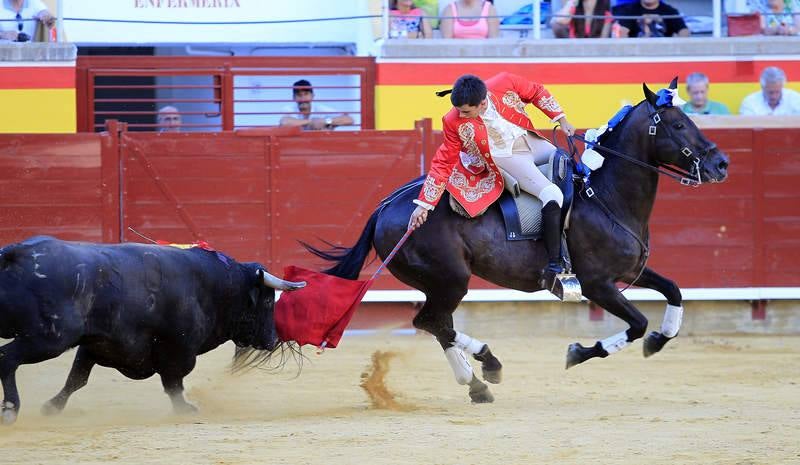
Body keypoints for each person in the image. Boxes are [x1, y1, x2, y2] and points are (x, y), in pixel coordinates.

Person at [408, 73, 577, 297]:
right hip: (505, 158)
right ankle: (555, 268)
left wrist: (561, 118)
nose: (461, 115)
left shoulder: (505, 82)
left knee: (567, 164)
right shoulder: (452, 120)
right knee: (552, 194)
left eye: (467, 111)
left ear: (483, 102)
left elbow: (536, 91)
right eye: (459, 110)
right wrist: (425, 204)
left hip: (530, 141)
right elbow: (444, 161)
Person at [279, 79, 354, 130]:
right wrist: (312, 122)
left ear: (312, 96)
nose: (303, 98)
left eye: (306, 94)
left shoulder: (321, 109)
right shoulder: (289, 109)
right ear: (294, 98)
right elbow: (284, 122)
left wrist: (325, 122)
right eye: (299, 95)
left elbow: (349, 120)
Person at [613, 0, 690, 37]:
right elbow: (622, 32)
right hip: (637, 52)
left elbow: (683, 30)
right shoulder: (629, 10)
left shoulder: (670, 11)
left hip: (664, 53)